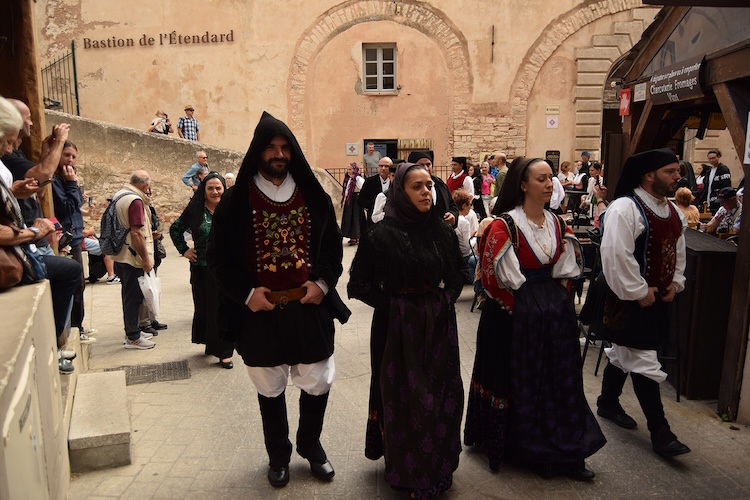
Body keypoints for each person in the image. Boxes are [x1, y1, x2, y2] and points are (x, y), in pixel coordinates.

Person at [207, 111, 350, 488]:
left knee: (317, 380)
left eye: (285, 147)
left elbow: (333, 247)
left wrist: (323, 282)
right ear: (258, 152)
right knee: (269, 387)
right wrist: (246, 294)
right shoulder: (235, 201)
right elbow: (218, 259)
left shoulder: (312, 194)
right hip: (260, 312)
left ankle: (310, 445)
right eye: (271, 147)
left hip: (309, 307)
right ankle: (278, 454)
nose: (278, 154)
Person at [464, 156, 605, 480]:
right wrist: (525, 310)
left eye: (550, 178)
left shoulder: (557, 223)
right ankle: (523, 448)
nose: (548, 183)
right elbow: (492, 278)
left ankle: (565, 448)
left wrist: (556, 305)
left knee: (558, 383)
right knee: (519, 382)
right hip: (511, 318)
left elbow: (566, 271)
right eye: (541, 178)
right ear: (523, 184)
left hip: (552, 321)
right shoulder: (503, 226)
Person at [348, 162, 464, 499]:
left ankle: (439, 465)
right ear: (401, 191)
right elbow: (359, 285)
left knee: (442, 394)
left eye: (429, 185)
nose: (427, 192)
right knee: (405, 398)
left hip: (439, 327)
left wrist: (443, 301)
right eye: (418, 187)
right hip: (396, 330)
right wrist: (400, 307)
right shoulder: (381, 236)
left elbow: (457, 273)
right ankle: (409, 470)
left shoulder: (441, 231)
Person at [589, 148, 691, 459]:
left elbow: (677, 249)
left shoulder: (672, 211)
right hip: (626, 299)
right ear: (649, 175)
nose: (678, 177)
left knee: (625, 353)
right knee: (645, 361)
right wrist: (638, 291)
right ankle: (660, 432)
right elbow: (616, 256)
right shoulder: (625, 208)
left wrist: (675, 282)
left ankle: (607, 401)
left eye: (677, 171)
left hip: (655, 298)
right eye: (670, 172)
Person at [0, 96, 82, 372]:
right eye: (8, 141)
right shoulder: (9, 159)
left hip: (31, 240)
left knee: (69, 274)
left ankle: (59, 342)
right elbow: (45, 176)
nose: (10, 148)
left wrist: (15, 192)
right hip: (21, 247)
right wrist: (33, 231)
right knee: (69, 272)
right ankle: (54, 346)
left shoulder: (10, 158)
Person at [170, 172, 234, 368]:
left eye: (218, 188)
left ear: (224, 189)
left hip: (226, 270)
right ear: (204, 190)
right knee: (205, 308)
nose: (215, 191)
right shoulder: (195, 211)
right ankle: (211, 343)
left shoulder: (232, 209)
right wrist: (184, 250)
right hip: (202, 268)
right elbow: (175, 229)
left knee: (223, 309)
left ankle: (225, 352)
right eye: (210, 188)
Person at [110, 170, 158, 350]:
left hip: (121, 253)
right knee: (133, 296)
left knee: (128, 294)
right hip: (132, 255)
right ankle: (133, 337)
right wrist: (146, 258)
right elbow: (137, 232)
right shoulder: (135, 201)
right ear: (145, 186)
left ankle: (134, 331)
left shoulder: (120, 195)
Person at [51, 142, 88, 333]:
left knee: (79, 285)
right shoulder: (55, 180)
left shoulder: (66, 179)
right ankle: (74, 327)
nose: (70, 160)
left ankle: (78, 325)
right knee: (74, 283)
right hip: (64, 240)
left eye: (73, 156)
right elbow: (66, 208)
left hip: (74, 236)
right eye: (67, 155)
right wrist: (72, 184)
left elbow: (78, 205)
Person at [407, 150, 458, 227]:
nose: (426, 168)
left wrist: (453, 216)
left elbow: (452, 205)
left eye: (428, 164)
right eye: (421, 165)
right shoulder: (408, 186)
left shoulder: (440, 184)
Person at [358, 156, 392, 232]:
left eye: (386, 166)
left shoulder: (395, 181)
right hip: (374, 220)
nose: (383, 168)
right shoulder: (370, 182)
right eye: (381, 166)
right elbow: (361, 200)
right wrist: (376, 204)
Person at [340, 162, 364, 245]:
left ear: (354, 169)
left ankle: (355, 237)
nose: (348, 171)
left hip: (356, 200)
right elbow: (346, 189)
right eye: (348, 169)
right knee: (349, 218)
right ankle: (351, 236)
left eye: (350, 169)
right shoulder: (349, 178)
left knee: (355, 218)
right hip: (350, 200)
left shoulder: (358, 179)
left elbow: (363, 188)